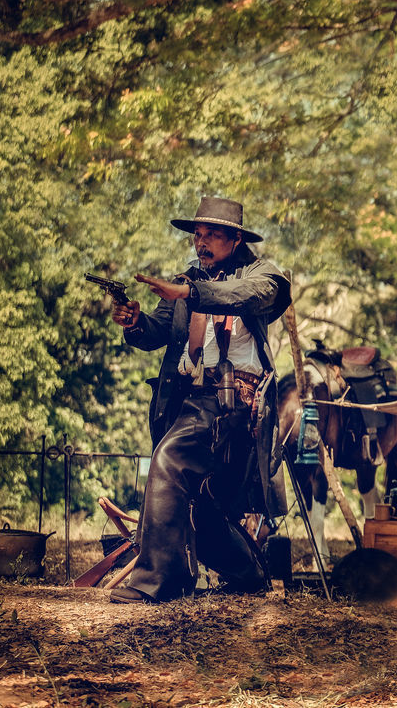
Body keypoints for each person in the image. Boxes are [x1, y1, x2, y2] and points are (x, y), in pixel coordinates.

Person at [108, 196, 291, 603]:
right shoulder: (186, 279)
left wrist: (190, 292)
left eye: (211, 235)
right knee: (201, 507)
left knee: (169, 460)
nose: (201, 242)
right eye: (198, 235)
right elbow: (159, 331)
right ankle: (249, 576)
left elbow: (245, 295)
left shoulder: (263, 276)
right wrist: (135, 321)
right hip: (191, 397)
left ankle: (158, 580)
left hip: (237, 402)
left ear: (236, 238)